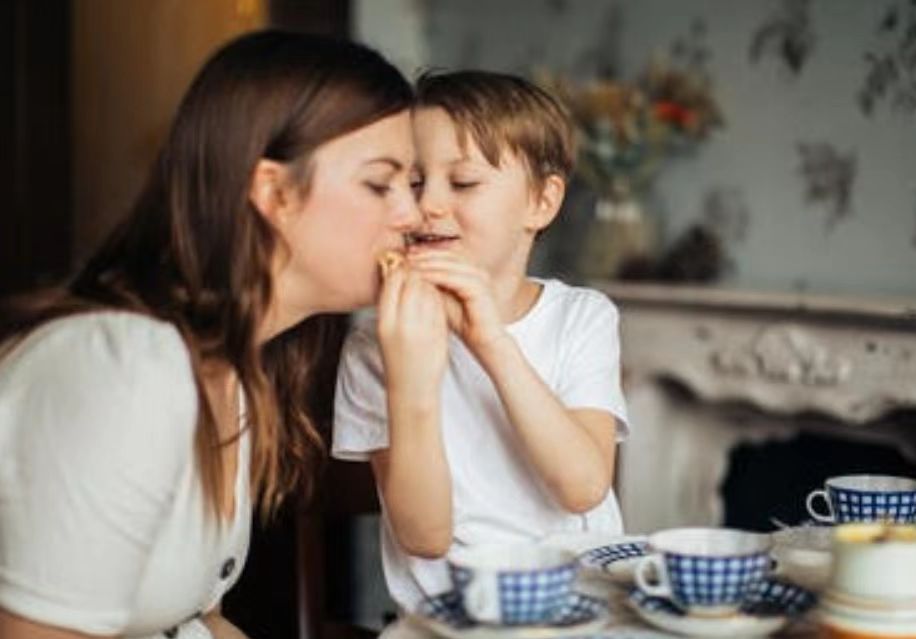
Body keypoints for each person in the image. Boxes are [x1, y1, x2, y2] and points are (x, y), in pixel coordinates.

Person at [0, 30, 421, 639]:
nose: (411, 215)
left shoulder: (235, 372)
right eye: (380, 184)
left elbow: (193, 620)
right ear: (272, 191)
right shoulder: (128, 367)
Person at [331, 70, 630, 610]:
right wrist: (408, 377)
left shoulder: (582, 318)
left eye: (463, 182)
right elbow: (423, 537)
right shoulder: (376, 346)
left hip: (579, 610)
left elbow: (583, 486)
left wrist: (490, 340)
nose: (428, 206)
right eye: (414, 183)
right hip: (445, 620)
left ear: (541, 202)